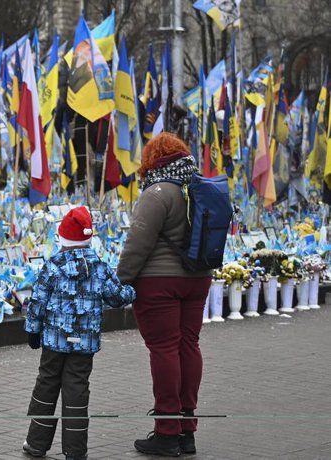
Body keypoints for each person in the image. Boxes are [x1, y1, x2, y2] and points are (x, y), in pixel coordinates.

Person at [117, 132, 212, 457]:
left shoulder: (157, 192)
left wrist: (120, 282)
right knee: (189, 346)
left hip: (159, 284)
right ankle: (187, 431)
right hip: (198, 280)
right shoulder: (198, 187)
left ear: (152, 160)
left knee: (164, 350)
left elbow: (137, 244)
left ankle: (167, 430)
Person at [23, 206, 135, 460]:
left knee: (47, 384)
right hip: (84, 342)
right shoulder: (100, 267)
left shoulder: (53, 265)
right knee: (77, 389)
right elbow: (117, 297)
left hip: (54, 341)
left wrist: (32, 329)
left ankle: (36, 443)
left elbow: (38, 301)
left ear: (62, 238)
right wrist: (133, 290)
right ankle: (75, 450)